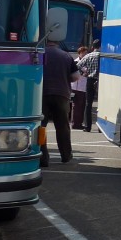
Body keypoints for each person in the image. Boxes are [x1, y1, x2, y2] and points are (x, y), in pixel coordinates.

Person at [42, 36, 80, 165]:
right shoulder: (66, 56)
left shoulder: (40, 53)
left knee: (41, 126)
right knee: (62, 126)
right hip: (62, 94)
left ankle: (43, 157)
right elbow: (75, 76)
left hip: (42, 94)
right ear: (57, 43)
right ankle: (66, 155)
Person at [78, 43, 101, 131]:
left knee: (88, 104)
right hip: (101, 80)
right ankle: (100, 127)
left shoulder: (88, 56)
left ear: (92, 47)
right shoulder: (102, 55)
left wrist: (84, 72)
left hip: (90, 80)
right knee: (102, 103)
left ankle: (88, 126)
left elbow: (78, 65)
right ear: (100, 47)